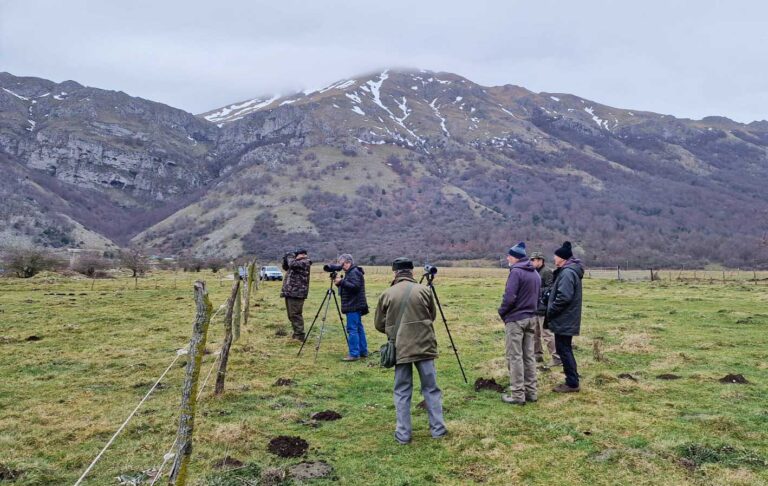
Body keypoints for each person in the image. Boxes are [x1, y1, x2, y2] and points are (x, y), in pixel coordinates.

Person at [374, 257, 447, 445]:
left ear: (395, 272)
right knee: (431, 389)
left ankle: (403, 435)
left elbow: (379, 324)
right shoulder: (424, 291)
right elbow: (432, 315)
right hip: (425, 347)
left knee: (402, 391)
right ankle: (438, 430)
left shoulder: (387, 293)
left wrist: (395, 333)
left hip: (401, 349)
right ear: (412, 272)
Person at [497, 242, 541, 405]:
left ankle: (517, 394)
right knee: (529, 356)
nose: (507, 258)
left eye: (509, 255)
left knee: (514, 357)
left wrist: (502, 312)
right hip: (531, 318)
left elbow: (509, 297)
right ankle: (531, 392)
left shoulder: (516, 272)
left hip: (516, 320)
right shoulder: (535, 273)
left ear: (515, 257)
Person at [546, 241, 584, 393]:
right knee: (565, 349)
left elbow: (564, 297)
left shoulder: (567, 273)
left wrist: (551, 310)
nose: (554, 259)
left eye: (555, 256)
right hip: (567, 318)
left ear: (562, 258)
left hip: (565, 318)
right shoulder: (569, 271)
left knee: (564, 350)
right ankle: (572, 379)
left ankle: (572, 383)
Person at [334, 253, 369, 361]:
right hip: (355, 304)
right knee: (358, 328)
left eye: (342, 264)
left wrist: (342, 282)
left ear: (348, 262)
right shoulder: (351, 272)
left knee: (352, 329)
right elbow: (350, 287)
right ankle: (363, 351)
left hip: (353, 305)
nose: (341, 266)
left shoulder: (353, 272)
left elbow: (355, 287)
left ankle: (354, 354)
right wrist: (339, 283)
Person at [530, 251, 560, 367]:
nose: (532, 262)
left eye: (534, 260)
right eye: (531, 260)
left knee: (546, 334)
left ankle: (556, 357)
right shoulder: (534, 272)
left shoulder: (546, 272)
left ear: (541, 260)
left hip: (544, 308)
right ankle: (537, 355)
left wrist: (536, 291)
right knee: (534, 333)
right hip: (535, 308)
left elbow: (551, 289)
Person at [280, 248, 312, 341]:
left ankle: (300, 335)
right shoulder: (296, 263)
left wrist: (289, 257)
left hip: (297, 293)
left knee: (295, 314)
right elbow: (286, 267)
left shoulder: (305, 262)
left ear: (301, 254)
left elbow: (292, 264)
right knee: (291, 315)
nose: (294, 257)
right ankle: (296, 334)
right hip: (291, 292)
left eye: (295, 255)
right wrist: (285, 259)